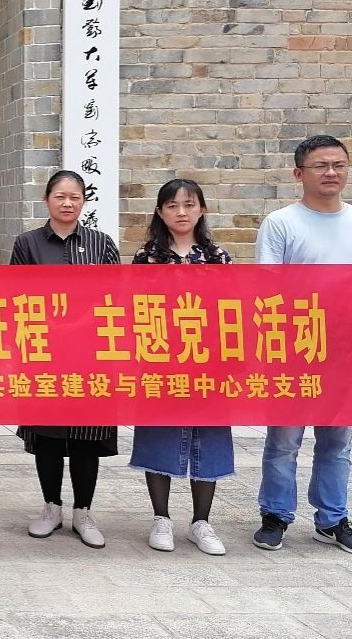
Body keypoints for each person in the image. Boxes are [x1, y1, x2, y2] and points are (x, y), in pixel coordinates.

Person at [254, 135, 352, 557]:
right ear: (299, 173)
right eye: (320, 165)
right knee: (284, 439)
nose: (331, 172)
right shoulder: (281, 222)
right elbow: (265, 283)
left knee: (338, 440)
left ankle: (333, 519)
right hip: (294, 344)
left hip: (346, 345)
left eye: (339, 164)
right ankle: (276, 515)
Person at [10, 169, 119, 549]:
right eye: (60, 196)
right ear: (47, 201)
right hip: (44, 355)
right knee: (48, 435)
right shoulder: (27, 243)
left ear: (84, 201)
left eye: (75, 197)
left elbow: (114, 298)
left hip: (91, 356)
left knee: (87, 435)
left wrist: (84, 328)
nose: (67, 203)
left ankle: (83, 512)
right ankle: (51, 507)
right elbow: (17, 297)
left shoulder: (101, 244)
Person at [128, 178, 234, 556]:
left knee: (209, 437)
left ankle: (201, 522)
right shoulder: (147, 257)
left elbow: (230, 311)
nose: (181, 212)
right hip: (161, 359)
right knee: (160, 434)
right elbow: (135, 309)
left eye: (189, 204)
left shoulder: (218, 257)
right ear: (160, 212)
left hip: (208, 362)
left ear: (202, 209)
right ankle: (161, 518)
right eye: (172, 206)